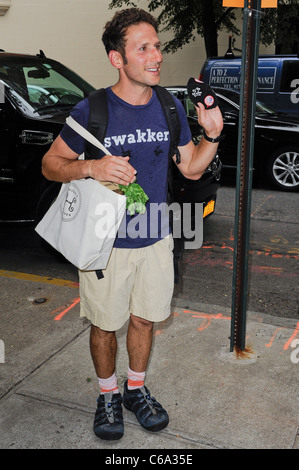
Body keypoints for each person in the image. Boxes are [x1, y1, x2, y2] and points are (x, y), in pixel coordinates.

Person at [41, 7, 223, 441]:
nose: (156, 56)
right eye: (143, 48)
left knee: (145, 320)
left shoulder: (169, 105)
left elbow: (192, 169)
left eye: (157, 46)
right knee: (105, 324)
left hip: (156, 237)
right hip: (105, 244)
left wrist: (212, 136)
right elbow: (51, 164)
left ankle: (134, 390)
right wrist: (92, 168)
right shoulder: (94, 108)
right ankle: (107, 395)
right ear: (117, 59)